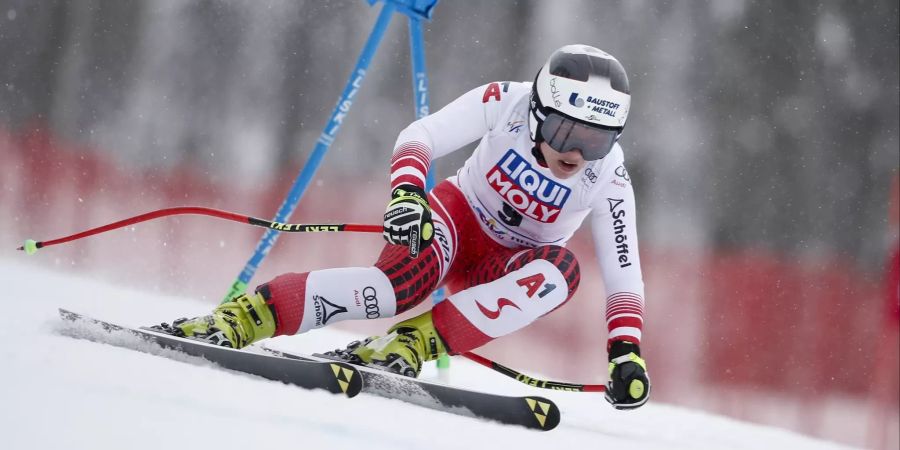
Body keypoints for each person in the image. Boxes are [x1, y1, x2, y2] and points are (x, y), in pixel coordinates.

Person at [164, 44, 651, 410]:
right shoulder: (507, 102)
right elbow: (421, 135)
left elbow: (623, 272)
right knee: (394, 288)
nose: (577, 154)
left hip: (505, 267)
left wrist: (625, 350)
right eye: (566, 133)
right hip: (457, 220)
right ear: (539, 113)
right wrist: (408, 194)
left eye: (598, 141)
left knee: (561, 274)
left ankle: (408, 343)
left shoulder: (609, 175)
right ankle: (245, 316)